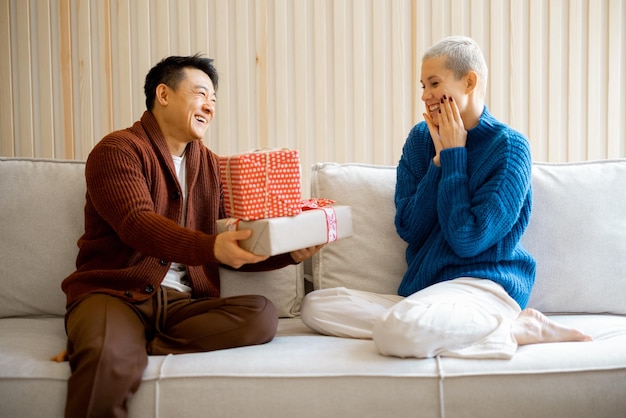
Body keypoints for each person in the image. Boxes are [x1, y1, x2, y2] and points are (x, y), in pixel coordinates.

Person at [54, 54, 323, 418]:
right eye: (200, 94)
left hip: (182, 307)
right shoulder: (117, 151)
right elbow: (137, 223)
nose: (209, 106)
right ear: (163, 94)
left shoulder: (211, 165)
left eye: (213, 99)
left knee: (261, 314)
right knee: (107, 361)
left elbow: (236, 242)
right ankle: (109, 341)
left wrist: (289, 254)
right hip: (115, 295)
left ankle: (120, 341)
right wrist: (210, 246)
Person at [301, 36, 591, 359]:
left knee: (394, 332)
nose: (425, 96)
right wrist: (438, 162)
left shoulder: (510, 149)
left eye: (434, 83)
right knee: (315, 306)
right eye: (422, 86)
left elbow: (466, 239)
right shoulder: (420, 139)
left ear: (469, 82)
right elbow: (409, 227)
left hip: (481, 288)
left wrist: (455, 156)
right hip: (425, 293)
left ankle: (512, 327)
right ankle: (443, 327)